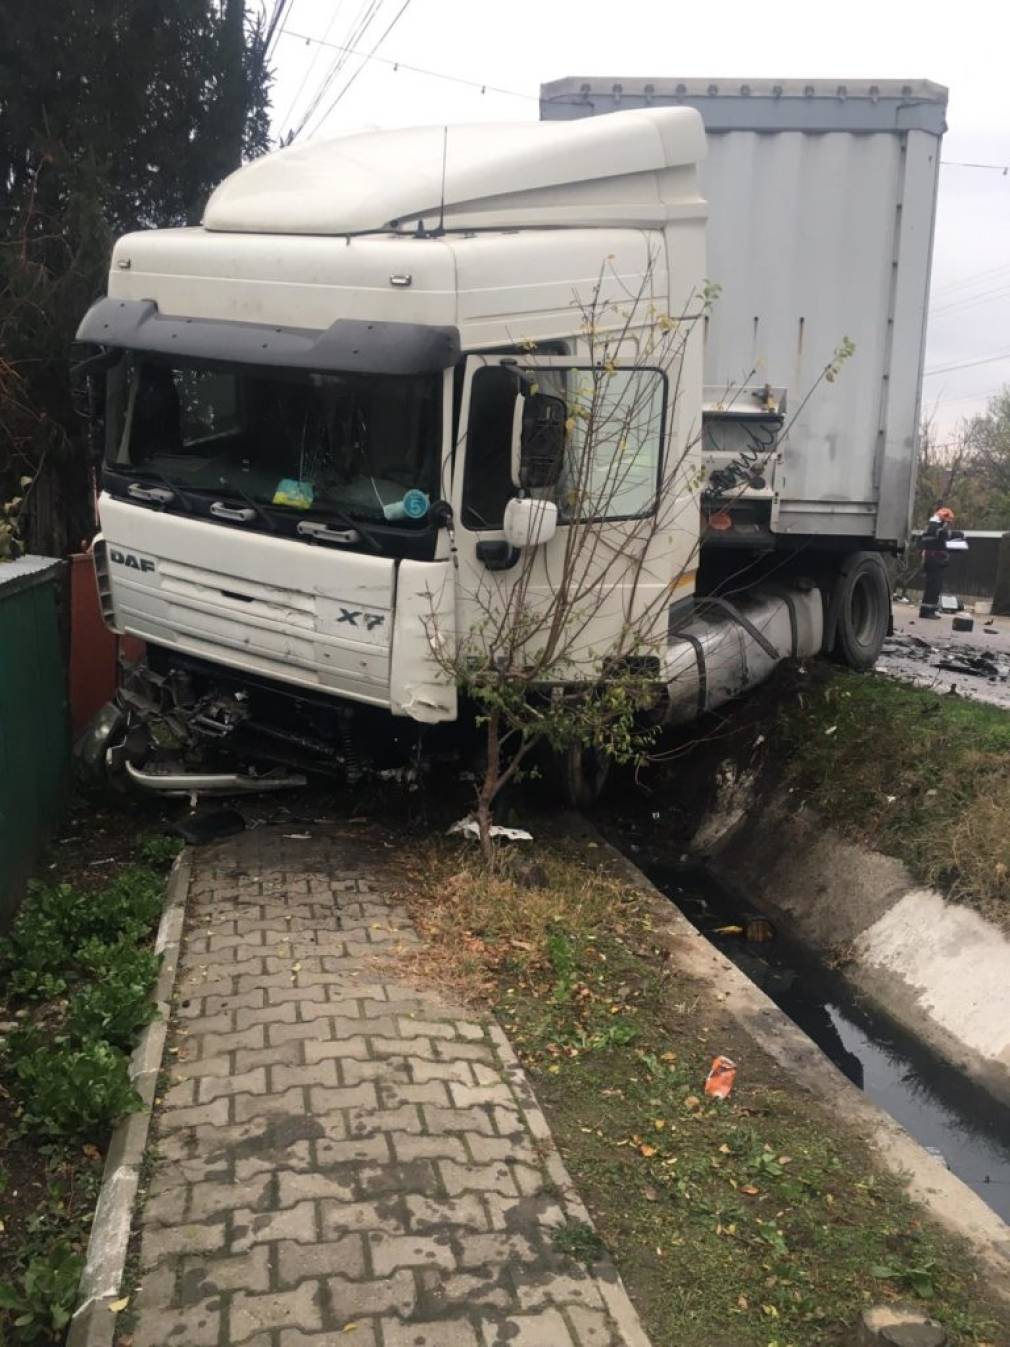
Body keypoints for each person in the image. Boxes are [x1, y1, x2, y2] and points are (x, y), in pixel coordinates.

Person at [918, 506, 955, 619]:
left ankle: (927, 610)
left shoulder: (931, 527)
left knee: (932, 586)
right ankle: (928, 611)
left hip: (931, 560)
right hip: (935, 560)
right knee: (934, 586)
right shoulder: (936, 528)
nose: (948, 523)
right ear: (943, 518)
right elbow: (944, 539)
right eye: (947, 521)